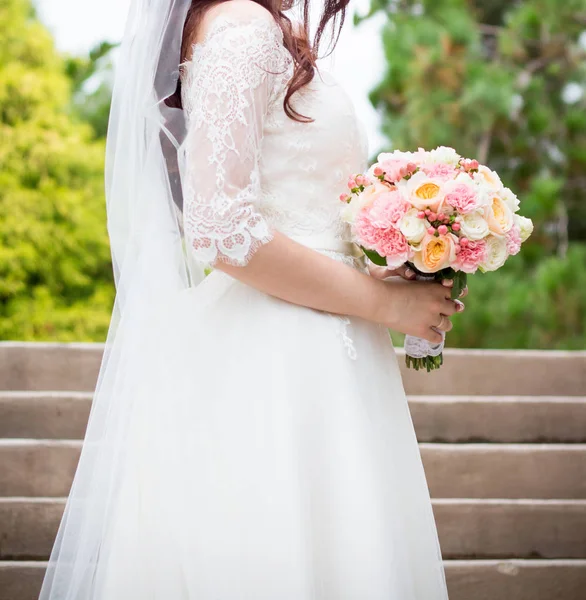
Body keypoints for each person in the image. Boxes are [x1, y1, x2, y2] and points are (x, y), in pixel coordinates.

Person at [40, 0, 465, 598]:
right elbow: (220, 228)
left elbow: (290, 202)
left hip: (321, 338)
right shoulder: (244, 26)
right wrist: (384, 306)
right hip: (284, 355)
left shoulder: (262, 30)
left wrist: (397, 254)